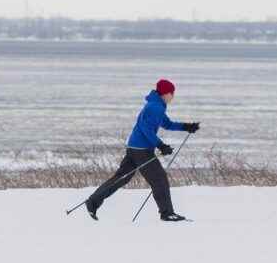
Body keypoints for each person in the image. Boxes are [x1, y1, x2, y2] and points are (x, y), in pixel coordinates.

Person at [85, 79, 200, 222]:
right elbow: (145, 129)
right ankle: (167, 213)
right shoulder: (155, 107)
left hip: (134, 147)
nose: (173, 96)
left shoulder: (156, 105)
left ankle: (92, 202)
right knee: (159, 179)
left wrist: (186, 126)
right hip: (142, 150)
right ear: (166, 93)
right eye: (172, 93)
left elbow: (167, 124)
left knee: (121, 178)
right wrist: (160, 145)